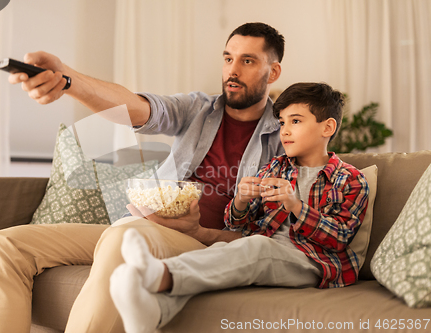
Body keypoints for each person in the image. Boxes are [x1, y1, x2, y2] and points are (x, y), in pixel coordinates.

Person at [0, 22, 285, 333]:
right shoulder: (199, 109)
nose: (233, 70)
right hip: (138, 227)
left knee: (124, 241)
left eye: (247, 61)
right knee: (6, 244)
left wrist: (201, 232)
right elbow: (135, 108)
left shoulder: (287, 137)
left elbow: (276, 241)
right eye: (228, 58)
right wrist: (67, 80)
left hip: (203, 246)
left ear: (272, 73)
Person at [110, 82, 370, 333]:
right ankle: (154, 312)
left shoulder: (350, 179)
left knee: (255, 248)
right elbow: (237, 226)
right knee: (227, 252)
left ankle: (161, 273)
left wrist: (296, 206)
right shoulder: (276, 168)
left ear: (328, 127)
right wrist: (240, 201)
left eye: (296, 121)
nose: (285, 130)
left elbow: (340, 237)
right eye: (281, 122)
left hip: (314, 261)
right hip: (265, 247)